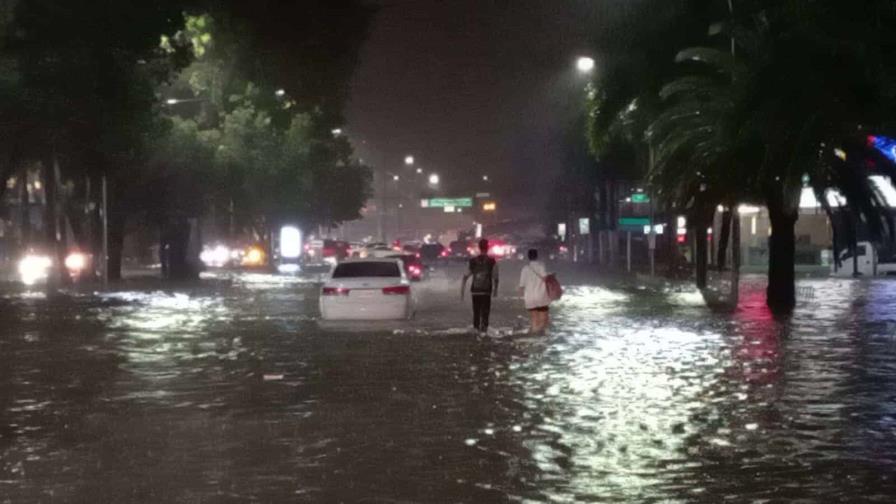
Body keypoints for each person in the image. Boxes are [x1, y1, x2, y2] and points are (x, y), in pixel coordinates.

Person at [461, 239, 499, 332]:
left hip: (475, 291)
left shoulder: (473, 261)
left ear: (479, 247)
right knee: (485, 313)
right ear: (487, 247)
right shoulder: (492, 261)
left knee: (476, 312)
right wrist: (495, 290)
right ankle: (484, 331)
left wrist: (462, 291)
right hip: (486, 291)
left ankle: (476, 330)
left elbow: (465, 276)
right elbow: (496, 278)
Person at [518, 248, 552, 334]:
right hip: (541, 297)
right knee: (544, 319)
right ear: (537, 256)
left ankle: (534, 331)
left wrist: (520, 297)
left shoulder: (525, 269)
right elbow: (545, 278)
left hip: (530, 297)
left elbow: (521, 285)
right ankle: (539, 333)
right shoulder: (541, 266)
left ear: (528, 257)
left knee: (534, 318)